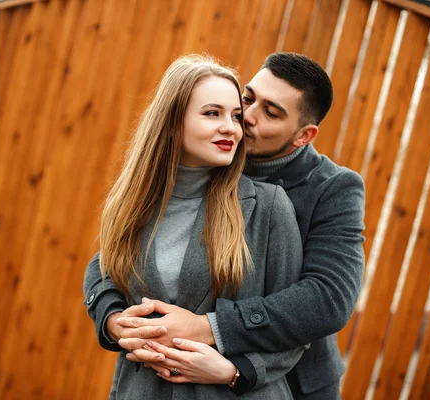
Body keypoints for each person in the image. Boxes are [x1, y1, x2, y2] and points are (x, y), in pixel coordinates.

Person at [108, 53, 366, 399]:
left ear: (303, 135)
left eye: (271, 112)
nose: (247, 117)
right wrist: (112, 319)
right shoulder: (211, 158)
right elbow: (113, 256)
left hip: (293, 383)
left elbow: (328, 298)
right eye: (248, 98)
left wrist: (210, 330)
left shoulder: (332, 188)